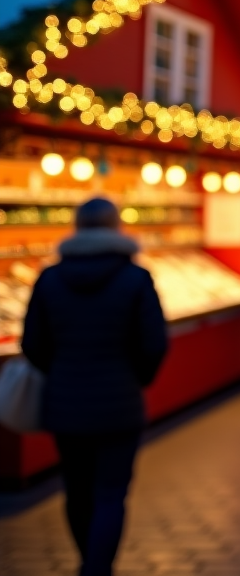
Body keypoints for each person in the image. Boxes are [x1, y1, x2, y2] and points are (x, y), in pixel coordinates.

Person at [21, 197, 168, 576]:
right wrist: (137, 378)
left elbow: (32, 344)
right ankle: (97, 568)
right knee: (110, 493)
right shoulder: (136, 278)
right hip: (120, 404)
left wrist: (61, 372)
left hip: (65, 405)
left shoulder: (49, 278)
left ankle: (88, 560)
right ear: (116, 227)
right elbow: (154, 342)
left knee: (76, 489)